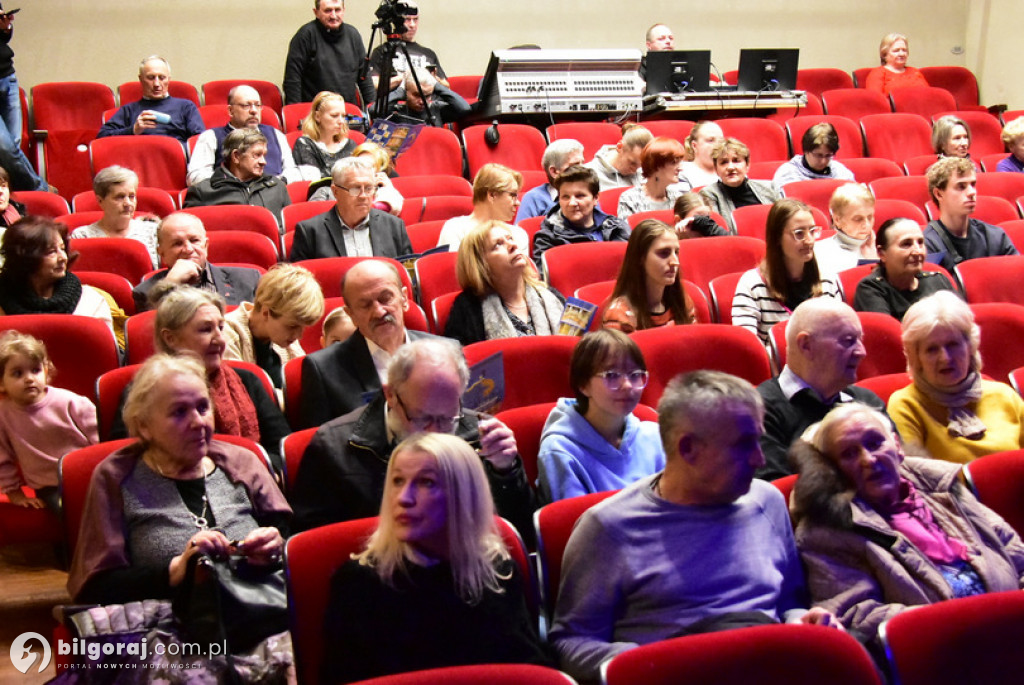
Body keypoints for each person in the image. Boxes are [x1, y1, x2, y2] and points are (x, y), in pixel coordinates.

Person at [550, 370, 841, 682]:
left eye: (759, 440)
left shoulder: (766, 501)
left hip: (771, 666)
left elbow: (789, 602)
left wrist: (805, 622)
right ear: (688, 449)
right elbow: (570, 642)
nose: (760, 460)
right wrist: (645, 664)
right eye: (744, 445)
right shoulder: (608, 528)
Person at [67, 354, 292, 676]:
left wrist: (273, 547)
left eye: (203, 407)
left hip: (260, 613)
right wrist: (175, 570)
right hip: (169, 631)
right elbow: (97, 585)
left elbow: (287, 540)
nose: (199, 421)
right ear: (144, 425)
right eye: (179, 412)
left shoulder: (242, 461)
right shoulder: (116, 477)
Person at [322, 432, 551, 683]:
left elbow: (526, 669)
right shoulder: (359, 584)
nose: (403, 498)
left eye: (426, 483)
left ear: (464, 494)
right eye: (398, 481)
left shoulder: (495, 571)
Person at [791, 403, 1024, 642]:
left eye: (875, 443)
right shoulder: (826, 531)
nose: (868, 460)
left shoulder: (942, 486)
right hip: (942, 647)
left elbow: (1011, 548)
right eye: (849, 454)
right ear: (832, 471)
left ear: (897, 446)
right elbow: (855, 612)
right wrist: (951, 621)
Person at [291, 338, 533, 539]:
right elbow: (315, 546)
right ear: (390, 395)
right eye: (422, 418)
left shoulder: (479, 433)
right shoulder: (332, 448)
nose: (435, 431)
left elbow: (518, 531)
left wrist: (505, 472)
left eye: (447, 418)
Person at [112, 286, 291, 472]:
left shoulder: (248, 380)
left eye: (221, 328)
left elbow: (281, 450)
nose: (220, 340)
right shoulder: (144, 391)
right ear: (170, 338)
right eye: (206, 330)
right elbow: (125, 462)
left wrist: (261, 477)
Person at [297, 259, 439, 428]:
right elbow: (322, 446)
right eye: (365, 305)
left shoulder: (445, 350)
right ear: (351, 315)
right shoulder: (323, 371)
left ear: (405, 299)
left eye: (385, 298)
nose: (379, 312)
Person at [755, 298, 885, 480]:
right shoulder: (760, 411)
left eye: (860, 340)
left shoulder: (868, 402)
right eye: (848, 341)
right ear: (806, 345)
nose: (861, 352)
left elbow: (903, 471)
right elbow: (781, 494)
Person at [888, 291, 1024, 463]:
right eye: (932, 349)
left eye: (953, 345)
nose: (945, 358)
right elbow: (918, 480)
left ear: (970, 347)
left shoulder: (1004, 395)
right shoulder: (905, 406)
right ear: (917, 357)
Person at [538, 329, 664, 503]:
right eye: (611, 376)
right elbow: (573, 526)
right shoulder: (560, 450)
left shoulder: (655, 435)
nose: (627, 385)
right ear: (583, 385)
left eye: (635, 375)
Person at [0, 331, 98, 513]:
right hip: (49, 487)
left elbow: (101, 440)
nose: (29, 378)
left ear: (46, 371)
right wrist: (16, 494)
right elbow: (2, 459)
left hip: (90, 475)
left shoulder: (71, 402)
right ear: (1, 383)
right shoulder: (3, 415)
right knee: (71, 512)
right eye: (17, 373)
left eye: (35, 370)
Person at [732, 199, 841, 346]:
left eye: (812, 231)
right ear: (777, 238)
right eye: (799, 233)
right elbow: (747, 347)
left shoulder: (827, 279)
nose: (809, 240)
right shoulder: (752, 285)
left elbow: (839, 334)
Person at [444, 222, 564, 345]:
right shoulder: (468, 309)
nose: (512, 245)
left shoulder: (550, 295)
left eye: (510, 238)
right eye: (498, 245)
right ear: (480, 264)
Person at [0, 217, 114, 335]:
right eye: (51, 252)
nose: (63, 257)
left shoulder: (90, 302)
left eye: (62, 248)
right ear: (24, 259)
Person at [289, 156, 412, 261]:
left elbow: (406, 275)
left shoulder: (394, 226)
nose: (363, 196)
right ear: (335, 191)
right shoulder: (310, 232)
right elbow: (301, 285)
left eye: (369, 188)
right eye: (355, 189)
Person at [223, 264, 325, 391]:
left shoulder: (286, 338)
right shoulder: (226, 337)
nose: (299, 335)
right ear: (266, 312)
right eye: (292, 326)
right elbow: (240, 398)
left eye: (303, 327)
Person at [132, 212, 261, 312]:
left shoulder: (248, 279)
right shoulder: (145, 292)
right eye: (177, 244)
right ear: (162, 254)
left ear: (206, 245)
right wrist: (170, 284)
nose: (188, 249)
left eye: (194, 240)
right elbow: (155, 333)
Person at [186, 84, 301, 186]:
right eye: (246, 106)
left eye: (258, 105)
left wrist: (279, 181)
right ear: (231, 111)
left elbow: (292, 171)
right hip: (232, 197)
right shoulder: (211, 137)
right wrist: (234, 183)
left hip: (273, 195)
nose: (254, 111)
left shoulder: (276, 134)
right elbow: (195, 177)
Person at [923, 157, 1018, 271]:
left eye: (972, 184)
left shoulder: (995, 236)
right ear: (939, 194)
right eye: (961, 186)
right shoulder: (927, 244)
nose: (972, 192)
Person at [854, 218, 957, 321]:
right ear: (882, 253)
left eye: (920, 243)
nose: (917, 251)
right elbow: (888, 335)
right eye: (906, 244)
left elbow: (964, 325)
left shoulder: (938, 280)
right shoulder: (871, 289)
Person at [602, 219, 695, 332]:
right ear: (640, 258)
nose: (675, 262)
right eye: (664, 253)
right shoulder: (619, 316)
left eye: (676, 252)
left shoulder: (682, 302)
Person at [532, 165, 631, 268]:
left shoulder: (617, 228)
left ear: (595, 198)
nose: (572, 203)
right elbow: (546, 281)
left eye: (580, 196)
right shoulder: (548, 238)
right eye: (565, 197)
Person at [183, 128, 292, 221]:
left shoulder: (277, 187)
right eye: (257, 155)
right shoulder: (202, 192)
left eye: (264, 155)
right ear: (236, 156)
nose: (263, 162)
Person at [283, 0, 375, 107]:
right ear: (316, 12)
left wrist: (372, 109)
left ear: (344, 11)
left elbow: (365, 79)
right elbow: (292, 81)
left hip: (348, 113)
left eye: (337, 10)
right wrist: (295, 114)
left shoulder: (353, 35)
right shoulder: (305, 36)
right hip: (315, 115)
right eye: (328, 10)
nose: (333, 15)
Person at [0, 6, 51, 192]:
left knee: (12, 147)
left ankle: (15, 201)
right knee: (5, 148)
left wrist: (5, 28)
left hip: (6, 77)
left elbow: (2, 41)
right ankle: (41, 189)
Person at [97, 56, 204, 144]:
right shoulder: (129, 110)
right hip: (137, 161)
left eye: (162, 78)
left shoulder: (185, 107)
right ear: (141, 79)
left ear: (169, 79)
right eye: (151, 78)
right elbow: (102, 137)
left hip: (175, 161)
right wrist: (133, 130)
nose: (157, 84)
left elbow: (200, 140)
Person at [69, 165, 159, 269]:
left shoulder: (152, 232)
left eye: (131, 196)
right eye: (119, 197)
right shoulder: (82, 237)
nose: (128, 203)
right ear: (100, 201)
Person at [437, 163, 529, 252]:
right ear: (492, 195)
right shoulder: (455, 229)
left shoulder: (519, 235)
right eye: (513, 195)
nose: (518, 203)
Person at [700, 138, 781, 234]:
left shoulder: (769, 187)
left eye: (736, 161)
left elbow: (784, 221)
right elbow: (717, 232)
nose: (730, 167)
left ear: (747, 165)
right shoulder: (709, 194)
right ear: (716, 169)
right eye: (724, 162)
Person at [368, 0, 449, 92]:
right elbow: (374, 85)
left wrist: (432, 78)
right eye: (407, 19)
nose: (412, 25)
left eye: (415, 19)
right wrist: (405, 78)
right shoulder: (382, 51)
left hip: (428, 102)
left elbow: (447, 86)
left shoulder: (428, 53)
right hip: (397, 101)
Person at [616, 137, 692, 219]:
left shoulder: (678, 198)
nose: (680, 168)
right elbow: (627, 231)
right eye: (674, 163)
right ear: (656, 166)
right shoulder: (630, 199)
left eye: (680, 162)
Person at [515, 139, 585, 223]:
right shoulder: (534, 198)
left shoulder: (588, 194)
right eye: (575, 165)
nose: (583, 169)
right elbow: (521, 233)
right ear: (554, 172)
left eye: (582, 163)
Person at [292, 90, 357, 181]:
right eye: (334, 116)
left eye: (343, 116)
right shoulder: (305, 144)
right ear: (317, 116)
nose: (341, 121)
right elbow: (314, 180)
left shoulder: (350, 145)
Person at [813, 183, 877, 275]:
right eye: (858, 219)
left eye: (870, 217)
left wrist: (873, 258)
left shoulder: (885, 249)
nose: (866, 225)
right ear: (837, 220)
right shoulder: (820, 252)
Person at [772, 123, 856, 187]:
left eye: (828, 156)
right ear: (806, 151)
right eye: (818, 155)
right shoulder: (788, 173)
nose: (823, 161)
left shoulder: (840, 172)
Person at [383, 68, 470, 126]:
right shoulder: (395, 111)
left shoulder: (437, 109)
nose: (422, 102)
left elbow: (464, 108)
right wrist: (400, 91)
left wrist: (436, 85)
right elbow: (373, 111)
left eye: (427, 96)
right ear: (406, 92)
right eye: (416, 95)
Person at [584, 123, 652, 192]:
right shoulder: (588, 174)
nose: (635, 170)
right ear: (619, 147)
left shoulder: (642, 172)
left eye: (641, 165)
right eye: (632, 163)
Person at [349, 141, 403, 215]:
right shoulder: (342, 183)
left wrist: (388, 187)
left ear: (378, 170)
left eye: (370, 166)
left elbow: (395, 206)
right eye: (360, 164)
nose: (363, 169)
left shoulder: (383, 188)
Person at [864, 33, 928, 95]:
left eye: (904, 50)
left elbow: (929, 95)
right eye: (896, 50)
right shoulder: (877, 74)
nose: (901, 54)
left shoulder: (915, 71)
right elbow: (875, 101)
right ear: (885, 54)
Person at [678, 121, 724, 189]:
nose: (717, 145)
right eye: (710, 140)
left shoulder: (732, 168)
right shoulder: (681, 171)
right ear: (694, 146)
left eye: (721, 141)